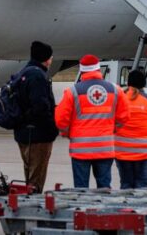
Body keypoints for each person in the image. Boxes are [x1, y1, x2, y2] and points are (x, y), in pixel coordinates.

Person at [55, 54, 129, 188]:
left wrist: (68, 133)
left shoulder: (72, 91)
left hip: (80, 150)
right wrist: (113, 129)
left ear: (82, 71)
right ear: (98, 70)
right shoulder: (115, 89)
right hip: (105, 148)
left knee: (81, 189)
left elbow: (61, 119)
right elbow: (124, 115)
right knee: (104, 187)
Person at [13, 41, 59, 193]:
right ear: (46, 59)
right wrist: (52, 128)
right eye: (51, 57)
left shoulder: (24, 72)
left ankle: (28, 206)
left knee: (30, 176)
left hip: (24, 134)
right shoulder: (37, 76)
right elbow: (40, 107)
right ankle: (32, 211)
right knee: (35, 182)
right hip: (37, 135)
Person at [115, 70, 147, 189]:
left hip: (123, 152)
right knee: (143, 188)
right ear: (143, 83)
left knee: (126, 185)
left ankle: (126, 207)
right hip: (146, 152)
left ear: (128, 82)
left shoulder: (119, 99)